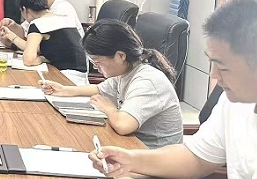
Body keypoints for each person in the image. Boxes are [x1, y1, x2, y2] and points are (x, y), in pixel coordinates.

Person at [89, 0, 257, 179]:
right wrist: (132, 160)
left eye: (223, 68)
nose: (214, 76)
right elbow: (196, 158)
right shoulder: (234, 101)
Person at [41, 19, 183, 148]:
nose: (96, 68)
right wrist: (65, 90)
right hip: (133, 145)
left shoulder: (148, 81)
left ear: (120, 56)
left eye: (98, 62)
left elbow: (123, 125)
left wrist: (109, 108)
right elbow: (100, 89)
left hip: (154, 155)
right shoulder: (127, 69)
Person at [0, 0, 87, 85]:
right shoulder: (63, 18)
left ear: (25, 10)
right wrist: (11, 36)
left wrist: (42, 59)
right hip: (81, 79)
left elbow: (29, 60)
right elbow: (34, 48)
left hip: (66, 79)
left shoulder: (38, 24)